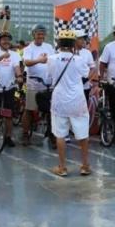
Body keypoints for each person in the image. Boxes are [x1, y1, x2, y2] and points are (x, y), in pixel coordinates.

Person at [48, 29, 92, 176]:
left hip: (59, 101)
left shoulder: (52, 59)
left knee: (60, 135)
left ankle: (62, 167)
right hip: (77, 101)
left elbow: (49, 76)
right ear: (73, 43)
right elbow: (87, 74)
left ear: (58, 43)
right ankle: (85, 166)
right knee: (82, 134)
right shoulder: (79, 59)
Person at [0, 31, 23, 147]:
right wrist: (3, 56)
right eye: (3, 39)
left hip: (9, 87)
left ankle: (8, 137)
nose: (6, 41)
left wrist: (19, 76)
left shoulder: (15, 54)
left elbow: (16, 67)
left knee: (8, 115)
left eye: (8, 39)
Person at [22, 24, 54, 145]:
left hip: (48, 84)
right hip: (34, 83)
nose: (41, 36)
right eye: (38, 33)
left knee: (51, 111)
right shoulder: (28, 48)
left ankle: (52, 134)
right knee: (29, 109)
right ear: (33, 34)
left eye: (43, 33)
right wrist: (39, 60)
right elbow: (27, 62)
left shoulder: (49, 47)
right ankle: (25, 134)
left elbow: (54, 60)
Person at [74, 30, 97, 101]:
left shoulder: (87, 53)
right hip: (72, 88)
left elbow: (93, 68)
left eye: (84, 39)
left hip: (85, 87)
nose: (84, 41)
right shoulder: (69, 52)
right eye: (81, 38)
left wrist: (86, 79)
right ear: (75, 40)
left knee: (84, 110)